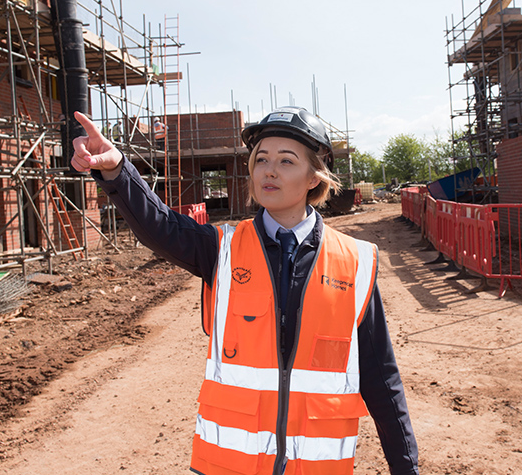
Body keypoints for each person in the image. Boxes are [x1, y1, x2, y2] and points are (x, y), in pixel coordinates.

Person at [70, 106, 419, 475]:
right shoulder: (221, 248)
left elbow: (382, 379)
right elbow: (161, 225)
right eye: (261, 159)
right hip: (230, 465)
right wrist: (115, 170)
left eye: (286, 161)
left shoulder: (356, 262)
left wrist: (406, 468)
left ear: (314, 177)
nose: (269, 170)